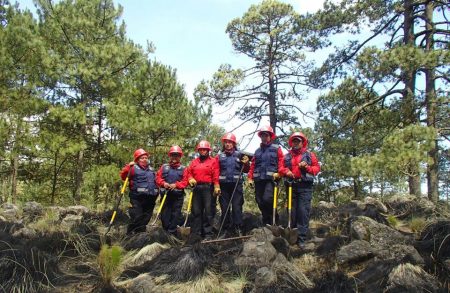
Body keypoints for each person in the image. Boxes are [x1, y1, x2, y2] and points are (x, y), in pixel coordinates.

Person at [280, 132, 320, 248]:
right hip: (291, 186)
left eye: (298, 141)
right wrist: (286, 171)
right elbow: (281, 167)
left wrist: (307, 167)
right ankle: (292, 236)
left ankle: (301, 238)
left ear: (303, 143)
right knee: (292, 211)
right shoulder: (287, 156)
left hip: (305, 187)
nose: (296, 143)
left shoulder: (309, 155)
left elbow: (317, 168)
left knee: (303, 212)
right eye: (294, 141)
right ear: (291, 143)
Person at [248, 126, 285, 226]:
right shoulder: (257, 151)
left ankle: (274, 220)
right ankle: (266, 221)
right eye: (263, 135)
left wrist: (280, 173)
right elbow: (253, 165)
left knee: (268, 199)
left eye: (266, 135)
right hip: (258, 179)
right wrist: (250, 178)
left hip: (271, 179)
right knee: (259, 201)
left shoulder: (276, 148)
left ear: (270, 136)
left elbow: (282, 162)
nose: (264, 137)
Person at [216, 133, 250, 237]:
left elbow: (246, 170)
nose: (227, 144)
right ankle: (225, 229)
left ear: (234, 144)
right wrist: (216, 185)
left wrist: (246, 163)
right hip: (224, 186)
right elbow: (216, 171)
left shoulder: (240, 154)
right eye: (226, 142)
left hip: (236, 185)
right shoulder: (219, 156)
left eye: (230, 142)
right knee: (224, 208)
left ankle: (238, 228)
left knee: (237, 207)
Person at [120, 148, 158, 235]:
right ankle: (129, 234)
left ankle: (140, 235)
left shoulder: (151, 170)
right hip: (137, 197)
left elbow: (156, 181)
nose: (144, 159)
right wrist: (128, 167)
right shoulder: (132, 168)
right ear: (137, 159)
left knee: (146, 218)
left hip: (150, 198)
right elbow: (123, 176)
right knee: (137, 216)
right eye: (142, 158)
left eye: (145, 157)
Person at [187, 140, 220, 239]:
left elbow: (216, 174)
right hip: (197, 188)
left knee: (209, 211)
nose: (203, 151)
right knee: (196, 211)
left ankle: (208, 234)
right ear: (198, 150)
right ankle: (196, 233)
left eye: (205, 149)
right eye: (201, 150)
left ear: (208, 150)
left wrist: (216, 186)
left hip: (208, 188)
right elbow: (188, 172)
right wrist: (190, 178)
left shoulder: (213, 161)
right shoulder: (194, 162)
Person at [155, 145, 189, 236]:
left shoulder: (184, 168)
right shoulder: (164, 167)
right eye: (173, 155)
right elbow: (158, 178)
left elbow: (185, 182)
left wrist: (176, 185)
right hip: (166, 195)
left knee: (175, 215)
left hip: (177, 197)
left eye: (177, 155)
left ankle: (172, 233)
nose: (174, 157)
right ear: (170, 156)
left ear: (180, 157)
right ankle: (166, 232)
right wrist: (163, 183)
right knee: (165, 215)